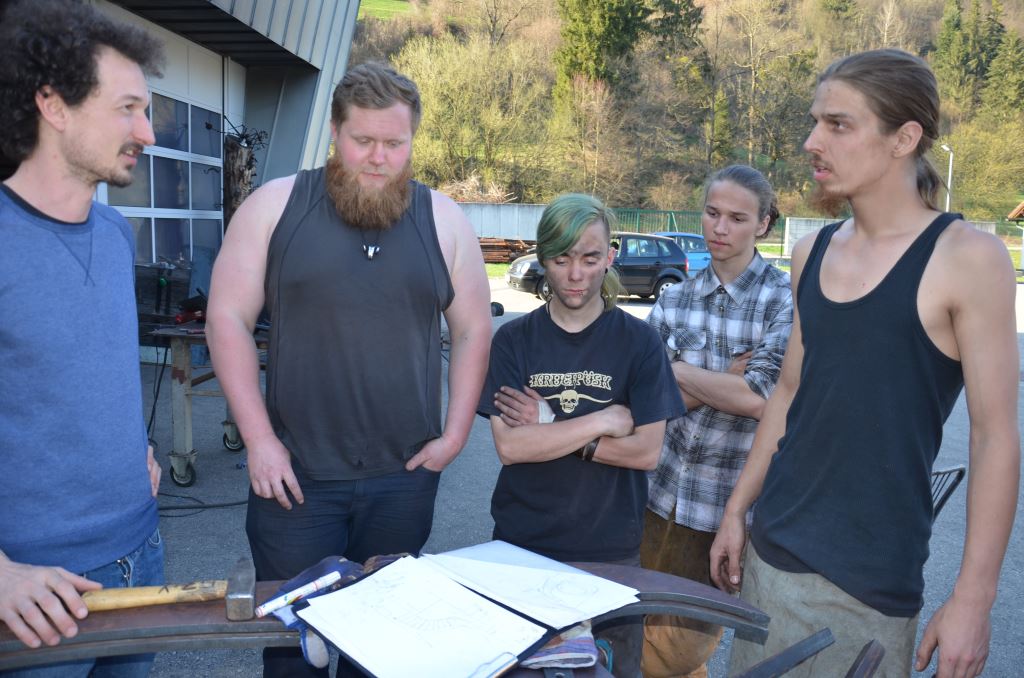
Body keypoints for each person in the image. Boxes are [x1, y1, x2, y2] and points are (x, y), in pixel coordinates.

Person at [710, 49, 1020, 677]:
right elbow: (789, 393)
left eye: (838, 124)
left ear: (903, 138)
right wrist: (737, 510)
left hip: (869, 581)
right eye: (815, 122)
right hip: (770, 556)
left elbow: (995, 437)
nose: (812, 142)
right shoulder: (812, 251)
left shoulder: (968, 258)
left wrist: (973, 599)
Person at [205, 61, 491, 677]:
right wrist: (258, 441)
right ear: (334, 132)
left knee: (381, 651)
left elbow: (473, 328)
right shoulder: (275, 206)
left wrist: (456, 435)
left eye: (395, 143)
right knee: (293, 652)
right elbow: (225, 318)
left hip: (403, 480)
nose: (379, 158)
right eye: (363, 140)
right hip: (295, 480)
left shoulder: (445, 220)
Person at [0, 0, 165, 675]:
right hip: (36, 590)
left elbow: (89, 372)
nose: (146, 133)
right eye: (127, 109)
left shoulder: (115, 234)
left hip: (143, 556)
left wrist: (132, 447)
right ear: (53, 105)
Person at [479, 193, 686, 677]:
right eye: (561, 259)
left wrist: (551, 427)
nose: (575, 274)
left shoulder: (639, 342)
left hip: (609, 551)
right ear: (542, 257)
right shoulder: (513, 340)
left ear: (610, 257)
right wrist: (600, 421)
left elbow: (646, 452)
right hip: (520, 548)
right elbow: (512, 447)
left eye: (590, 259)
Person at [641, 165, 793, 678]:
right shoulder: (675, 297)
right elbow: (644, 398)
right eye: (711, 213)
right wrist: (723, 378)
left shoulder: (784, 300)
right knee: (636, 630)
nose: (720, 228)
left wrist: (676, 371)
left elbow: (761, 399)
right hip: (655, 496)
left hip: (721, 511)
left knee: (677, 653)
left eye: (737, 218)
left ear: (764, 224)